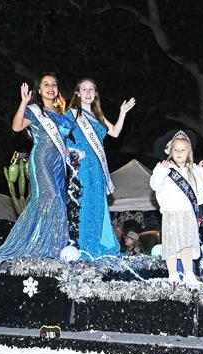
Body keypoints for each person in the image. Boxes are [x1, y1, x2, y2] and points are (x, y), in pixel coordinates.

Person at [0, 74, 72, 278]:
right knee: (49, 199)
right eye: (46, 85)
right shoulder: (35, 111)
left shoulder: (63, 114)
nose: (51, 88)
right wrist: (24, 102)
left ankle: (53, 246)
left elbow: (66, 141)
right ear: (39, 90)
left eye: (54, 85)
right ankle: (35, 246)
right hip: (42, 162)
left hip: (59, 166)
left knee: (58, 202)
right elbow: (16, 126)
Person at [65, 79, 135, 258]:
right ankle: (84, 245)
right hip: (82, 166)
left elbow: (115, 133)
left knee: (98, 205)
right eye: (84, 89)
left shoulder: (98, 116)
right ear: (77, 93)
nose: (88, 92)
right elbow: (60, 138)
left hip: (98, 168)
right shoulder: (71, 114)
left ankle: (97, 244)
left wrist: (122, 113)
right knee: (85, 203)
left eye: (91, 89)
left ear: (95, 93)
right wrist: (73, 151)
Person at [149, 130, 203, 285]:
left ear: (189, 152)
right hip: (171, 213)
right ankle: (173, 274)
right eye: (176, 149)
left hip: (188, 214)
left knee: (187, 244)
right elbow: (155, 184)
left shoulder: (193, 169)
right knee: (172, 244)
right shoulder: (163, 168)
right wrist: (161, 171)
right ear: (169, 151)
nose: (179, 152)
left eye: (183, 150)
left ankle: (189, 273)